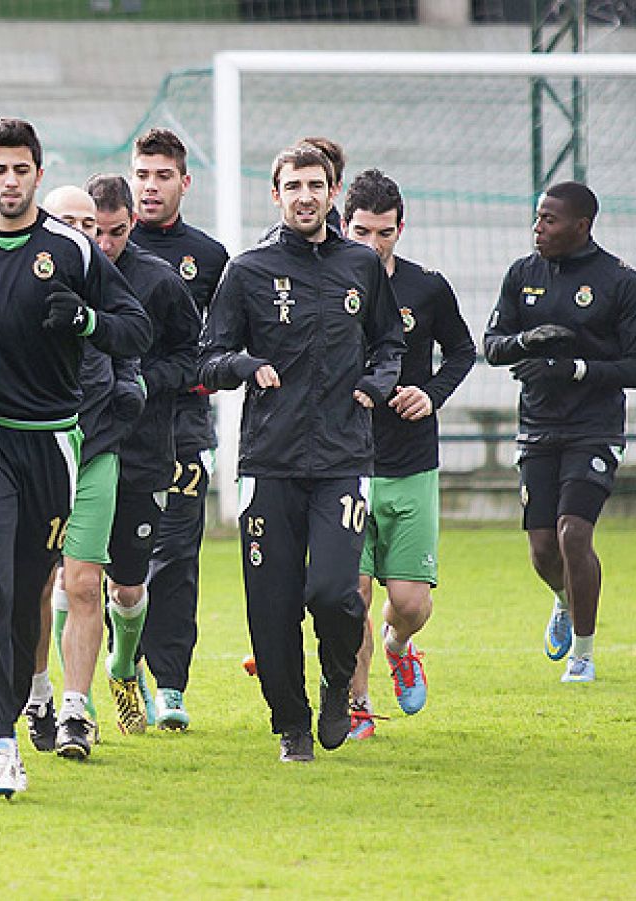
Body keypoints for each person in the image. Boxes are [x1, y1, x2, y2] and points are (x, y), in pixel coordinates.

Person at [0, 118, 150, 798]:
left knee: (22, 599)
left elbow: (137, 327)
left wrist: (88, 321)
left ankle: (18, 701)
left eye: (21, 169)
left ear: (38, 173)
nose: (9, 181)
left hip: (51, 442)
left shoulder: (72, 249)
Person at [198, 143, 403, 763]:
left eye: (317, 185)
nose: (306, 196)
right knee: (272, 604)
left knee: (336, 591)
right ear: (276, 193)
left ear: (332, 191)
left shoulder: (360, 266)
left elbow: (389, 342)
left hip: (343, 457)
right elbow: (208, 356)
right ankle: (291, 723)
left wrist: (377, 383)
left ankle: (338, 683)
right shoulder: (247, 270)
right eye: (294, 186)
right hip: (269, 462)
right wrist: (244, 365)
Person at [483, 181, 636, 683]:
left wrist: (577, 369)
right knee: (542, 550)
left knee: (573, 534)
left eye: (549, 220)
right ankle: (563, 600)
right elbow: (493, 345)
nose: (538, 228)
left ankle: (583, 654)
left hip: (594, 429)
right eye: (537, 218)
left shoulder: (620, 281)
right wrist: (527, 341)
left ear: (582, 226)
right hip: (537, 427)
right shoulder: (522, 275)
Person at [340, 169, 476, 738]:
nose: (373, 245)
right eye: (362, 232)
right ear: (342, 225)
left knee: (410, 604)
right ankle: (358, 707)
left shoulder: (427, 288)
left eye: (385, 234)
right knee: (355, 595)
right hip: (348, 464)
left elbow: (463, 353)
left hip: (413, 463)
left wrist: (431, 393)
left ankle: (400, 646)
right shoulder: (326, 288)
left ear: (401, 229)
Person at [23, 184, 148, 759]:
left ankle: (76, 708)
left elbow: (134, 341)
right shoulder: (19, 282)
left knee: (83, 583)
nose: (84, 234)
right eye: (68, 221)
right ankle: (38, 692)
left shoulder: (103, 288)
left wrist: (126, 398)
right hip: (33, 450)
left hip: (94, 448)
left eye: (90, 224)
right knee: (31, 587)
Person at [85, 174, 201, 740]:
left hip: (144, 451)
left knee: (127, 586)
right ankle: (69, 702)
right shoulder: (63, 273)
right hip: (78, 449)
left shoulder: (158, 283)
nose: (105, 245)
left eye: (116, 232)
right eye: (95, 232)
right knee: (75, 578)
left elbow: (190, 358)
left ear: (131, 224)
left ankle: (124, 665)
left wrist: (141, 383)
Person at [127, 128, 229, 729]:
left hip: (184, 429)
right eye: (142, 175)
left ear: (184, 182)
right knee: (114, 559)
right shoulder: (101, 246)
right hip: (112, 430)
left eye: (163, 176)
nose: (151, 186)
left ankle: (169, 684)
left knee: (177, 559)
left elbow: (216, 346)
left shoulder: (209, 257)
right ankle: (121, 662)